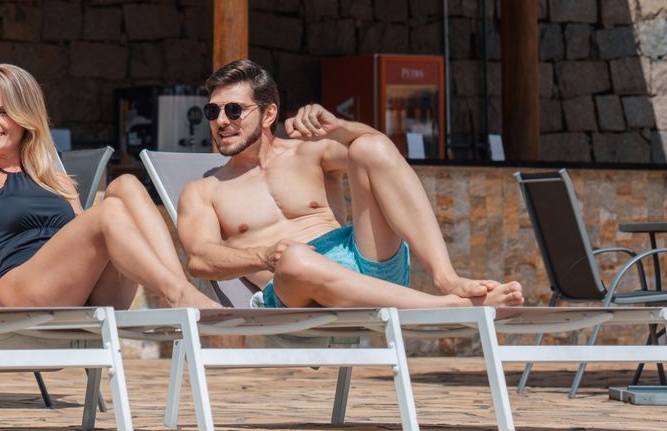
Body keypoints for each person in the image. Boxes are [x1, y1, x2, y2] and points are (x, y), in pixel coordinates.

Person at [176, 59, 523, 310]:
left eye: (234, 111)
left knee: (368, 146)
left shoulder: (309, 154)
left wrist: (339, 127)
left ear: (269, 115)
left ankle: (447, 280)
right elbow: (200, 260)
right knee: (295, 259)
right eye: (213, 112)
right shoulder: (205, 190)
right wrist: (263, 256)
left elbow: (384, 153)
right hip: (296, 292)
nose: (222, 121)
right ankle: (443, 309)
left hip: (365, 263)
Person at [0, 63, 217, 310]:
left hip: (83, 291)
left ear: (26, 116)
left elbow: (82, 241)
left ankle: (181, 288)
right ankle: (177, 293)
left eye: (2, 112)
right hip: (22, 287)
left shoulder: (57, 181)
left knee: (126, 184)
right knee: (108, 211)